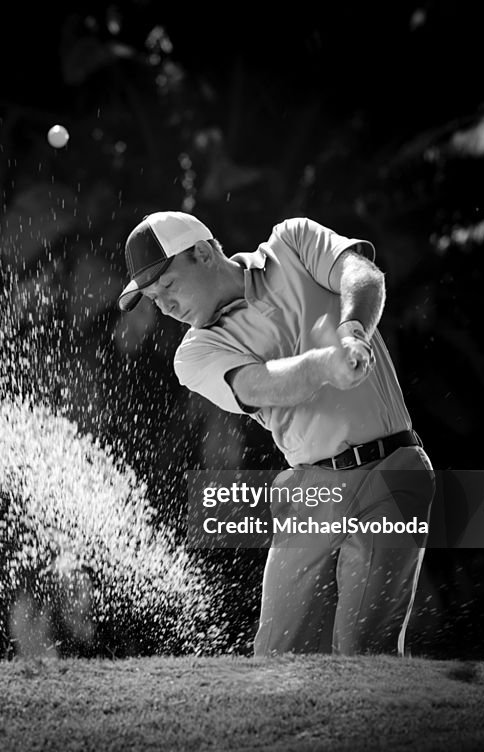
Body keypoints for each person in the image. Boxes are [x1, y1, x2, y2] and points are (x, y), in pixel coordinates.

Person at [117, 211, 435, 657]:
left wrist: (353, 329)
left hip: (393, 471)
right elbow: (258, 385)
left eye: (167, 286)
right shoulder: (194, 353)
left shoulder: (293, 242)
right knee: (278, 657)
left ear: (204, 253)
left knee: (364, 652)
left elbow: (361, 273)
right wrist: (326, 365)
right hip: (311, 489)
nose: (164, 306)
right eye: (153, 298)